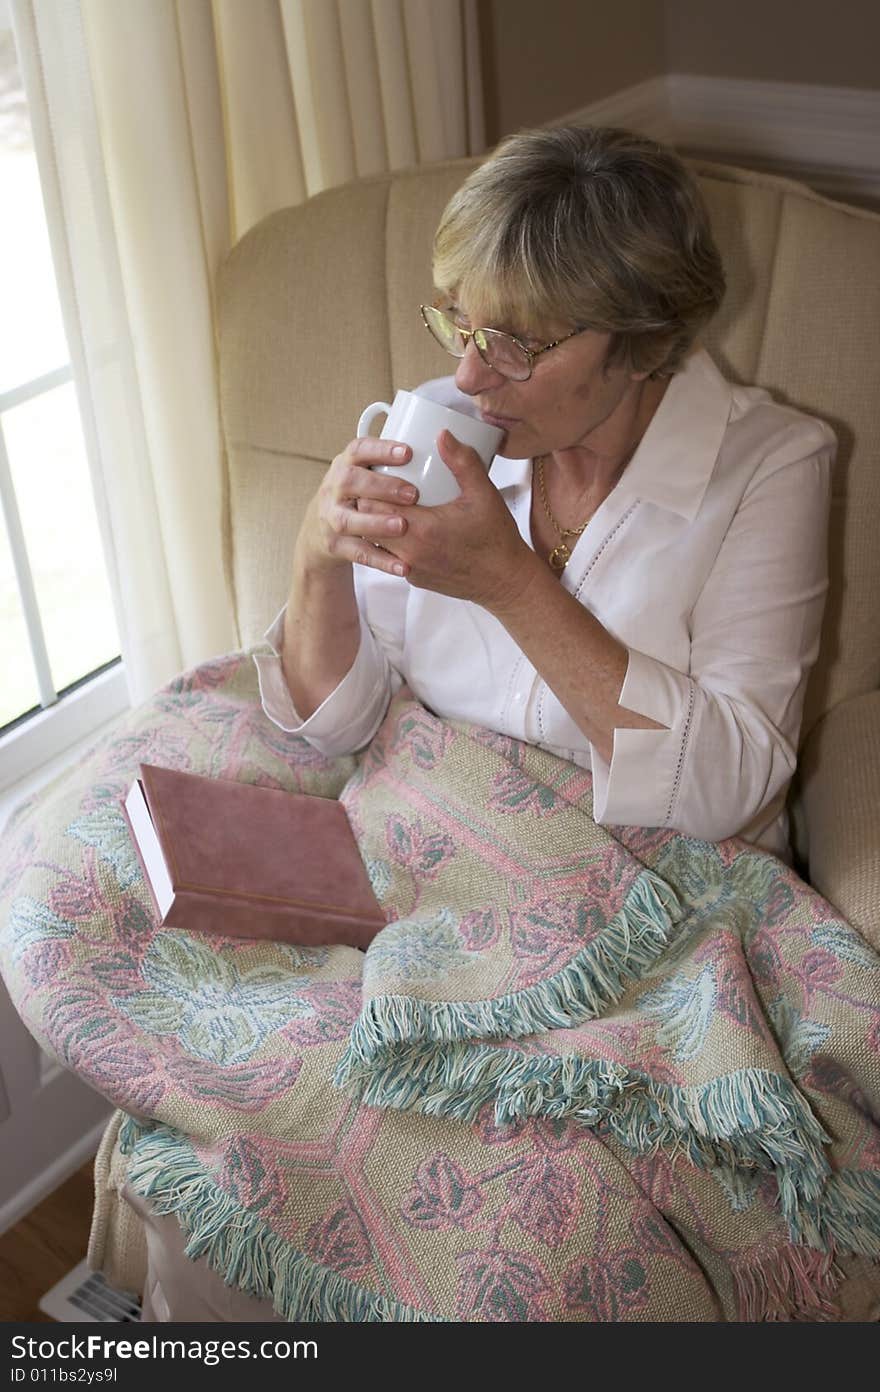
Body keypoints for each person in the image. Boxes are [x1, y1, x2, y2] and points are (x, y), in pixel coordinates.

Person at [254, 124, 834, 863]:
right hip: (435, 849)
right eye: (460, 323)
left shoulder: (771, 465)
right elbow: (342, 727)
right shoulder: (446, 425)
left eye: (518, 344)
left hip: (656, 887)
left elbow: (730, 789)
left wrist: (512, 584)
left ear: (643, 341)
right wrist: (318, 558)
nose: (468, 377)